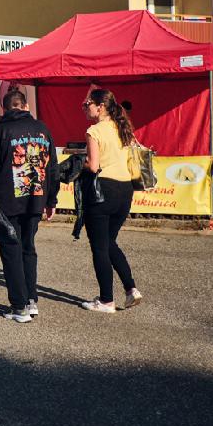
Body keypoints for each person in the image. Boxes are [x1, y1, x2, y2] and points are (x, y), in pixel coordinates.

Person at [0, 89, 59, 321]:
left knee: (10, 250)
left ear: (5, 109)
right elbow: (53, 167)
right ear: (26, 106)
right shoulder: (43, 129)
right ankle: (31, 299)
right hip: (36, 199)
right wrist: (52, 199)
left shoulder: (1, 131)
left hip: (9, 201)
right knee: (28, 248)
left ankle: (19, 306)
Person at [80, 89, 142, 313]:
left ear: (100, 106)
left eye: (87, 104)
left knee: (99, 247)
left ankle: (106, 300)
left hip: (102, 190)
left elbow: (94, 166)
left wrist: (80, 163)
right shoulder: (123, 127)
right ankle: (130, 288)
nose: (85, 108)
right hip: (125, 190)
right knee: (109, 242)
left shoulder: (94, 131)